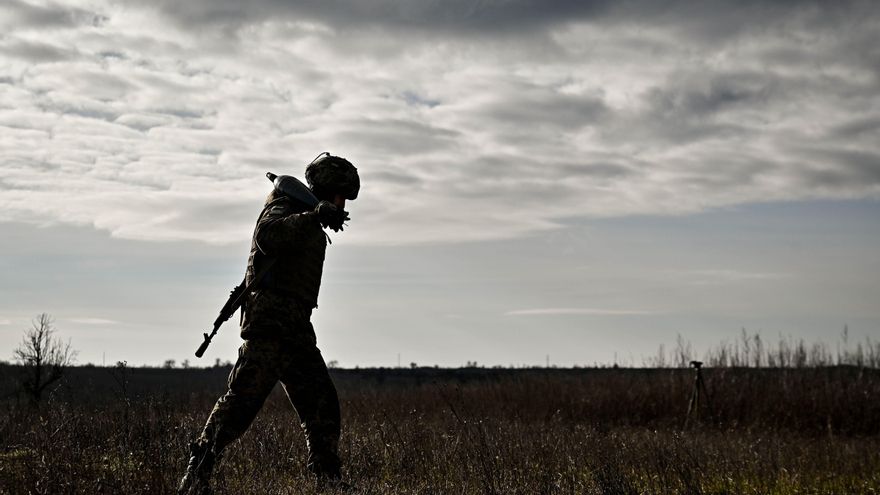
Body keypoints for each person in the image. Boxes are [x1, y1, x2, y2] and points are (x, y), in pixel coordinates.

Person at [178, 153, 359, 494]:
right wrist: (313, 215)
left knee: (322, 404)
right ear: (325, 189)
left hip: (295, 330)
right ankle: (196, 474)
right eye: (339, 195)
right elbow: (268, 236)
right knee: (240, 405)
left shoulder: (306, 212)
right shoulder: (284, 206)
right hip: (269, 328)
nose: (341, 203)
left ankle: (329, 481)